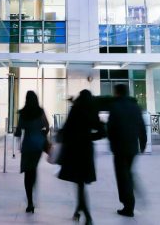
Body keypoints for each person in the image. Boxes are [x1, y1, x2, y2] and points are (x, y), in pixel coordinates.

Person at [58, 89, 105, 225]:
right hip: (86, 150)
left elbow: (66, 129)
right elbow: (102, 132)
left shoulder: (75, 109)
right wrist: (89, 137)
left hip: (74, 150)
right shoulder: (92, 111)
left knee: (79, 184)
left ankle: (88, 216)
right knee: (81, 183)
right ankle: (78, 210)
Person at [106, 84, 146, 217]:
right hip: (133, 147)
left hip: (119, 147)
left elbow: (110, 128)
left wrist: (111, 142)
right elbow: (141, 126)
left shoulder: (115, 107)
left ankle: (128, 205)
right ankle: (129, 202)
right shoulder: (135, 107)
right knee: (127, 173)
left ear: (117, 93)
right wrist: (143, 143)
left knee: (122, 177)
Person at [13, 90, 50, 213]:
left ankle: (30, 202)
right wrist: (43, 134)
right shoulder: (40, 112)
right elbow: (47, 125)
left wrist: (17, 132)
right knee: (33, 169)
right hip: (38, 145)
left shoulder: (23, 113)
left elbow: (18, 131)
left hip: (27, 145)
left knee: (27, 173)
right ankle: (33, 191)